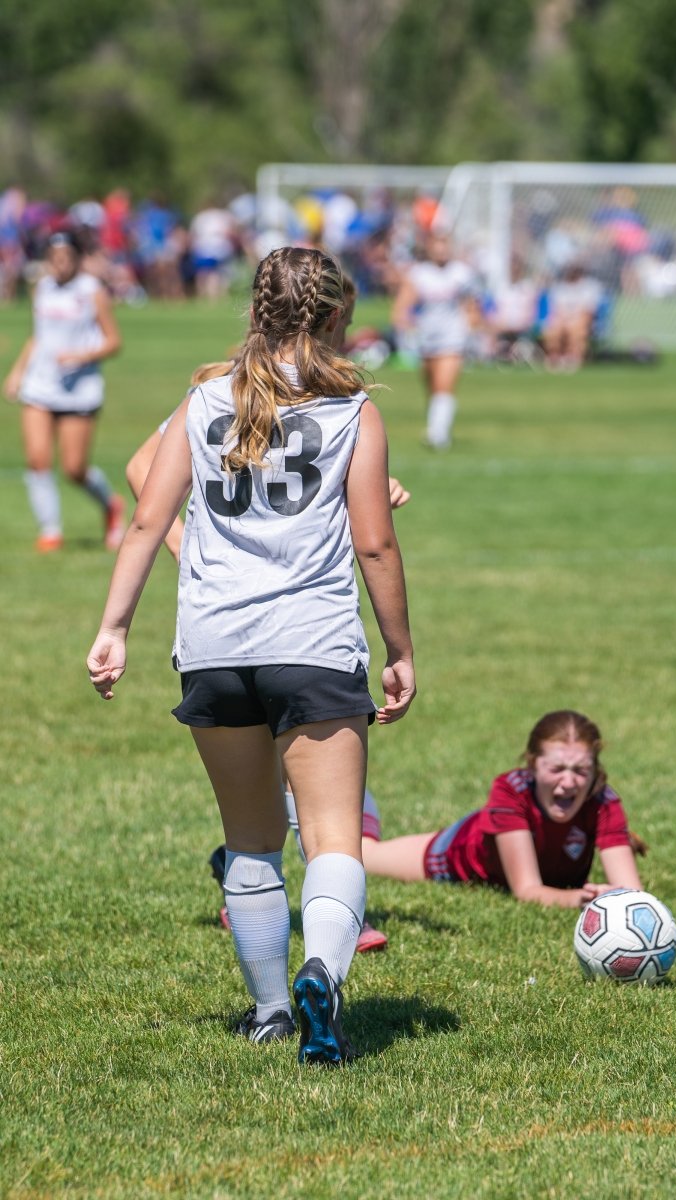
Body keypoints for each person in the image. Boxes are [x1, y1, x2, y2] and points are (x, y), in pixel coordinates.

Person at [87, 247, 415, 1065]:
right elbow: (375, 544)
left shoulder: (203, 399)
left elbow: (145, 515)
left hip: (213, 647)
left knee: (251, 840)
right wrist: (400, 649)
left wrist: (114, 626)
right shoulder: (352, 412)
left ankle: (269, 1012)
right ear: (335, 316)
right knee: (332, 837)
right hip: (310, 642)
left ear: (255, 310)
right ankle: (322, 976)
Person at [362, 710, 644, 907]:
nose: (569, 782)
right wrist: (584, 899)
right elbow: (527, 889)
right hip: (453, 855)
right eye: (557, 769)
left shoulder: (604, 801)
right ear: (532, 765)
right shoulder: (511, 791)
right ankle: (363, 807)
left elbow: (634, 895)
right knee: (364, 854)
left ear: (595, 772)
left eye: (581, 771)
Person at [3, 231, 126, 552]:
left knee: (74, 469)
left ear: (77, 259)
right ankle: (50, 530)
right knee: (37, 459)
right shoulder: (42, 287)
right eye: (53, 259)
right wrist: (17, 372)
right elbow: (38, 336)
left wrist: (81, 356)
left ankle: (111, 506)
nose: (59, 265)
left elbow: (114, 341)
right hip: (40, 385)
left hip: (79, 390)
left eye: (65, 259)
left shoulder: (91, 291)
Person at [392, 231, 479, 450]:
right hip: (427, 338)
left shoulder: (461, 273)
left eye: (444, 244)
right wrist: (406, 327)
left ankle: (438, 435)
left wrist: (472, 328)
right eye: (437, 244)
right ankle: (436, 427)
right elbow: (403, 306)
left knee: (444, 384)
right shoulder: (419, 274)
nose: (441, 249)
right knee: (432, 386)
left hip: (453, 336)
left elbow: (472, 305)